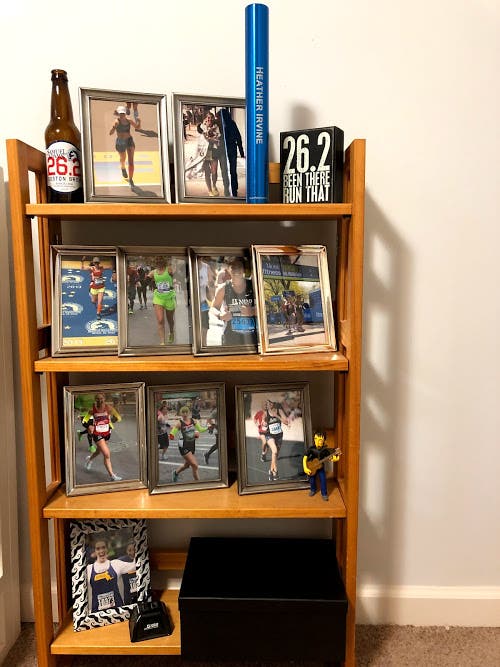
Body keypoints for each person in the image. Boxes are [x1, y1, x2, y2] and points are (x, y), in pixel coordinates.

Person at [210, 258, 257, 347]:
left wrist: (252, 311)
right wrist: (220, 315)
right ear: (228, 269)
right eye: (233, 267)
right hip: (231, 339)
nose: (236, 270)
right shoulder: (223, 288)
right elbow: (213, 308)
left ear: (244, 269)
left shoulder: (254, 285)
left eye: (239, 266)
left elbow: (264, 308)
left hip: (253, 338)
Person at [86, 537, 135, 613]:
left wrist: (137, 547)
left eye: (103, 547)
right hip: (97, 614)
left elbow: (135, 565)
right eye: (98, 548)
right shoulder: (88, 569)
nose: (101, 551)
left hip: (117, 611)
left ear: (107, 549)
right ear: (94, 551)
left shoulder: (116, 564)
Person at [83, 393, 123, 481]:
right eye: (98, 399)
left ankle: (89, 460)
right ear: (95, 400)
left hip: (107, 433)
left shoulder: (109, 408)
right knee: (107, 454)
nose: (100, 400)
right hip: (97, 434)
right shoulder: (92, 410)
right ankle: (112, 475)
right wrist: (89, 426)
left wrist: (115, 418)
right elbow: (85, 420)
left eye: (101, 398)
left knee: (98, 451)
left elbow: (118, 417)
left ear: (104, 399)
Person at [169, 405, 208, 482]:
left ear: (189, 413)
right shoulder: (179, 423)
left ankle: (175, 473)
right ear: (180, 413)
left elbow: (200, 429)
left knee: (186, 465)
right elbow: (172, 433)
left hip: (191, 445)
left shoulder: (194, 421)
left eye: (186, 412)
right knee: (195, 465)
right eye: (183, 412)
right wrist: (171, 436)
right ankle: (198, 483)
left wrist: (208, 428)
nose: (185, 414)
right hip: (183, 446)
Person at [303, 431, 341, 501]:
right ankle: (313, 490)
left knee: (323, 480)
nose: (318, 441)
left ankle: (324, 494)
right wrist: (305, 467)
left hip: (321, 468)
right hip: (311, 466)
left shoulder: (325, 450)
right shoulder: (311, 449)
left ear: (323, 441)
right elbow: (305, 458)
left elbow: (330, 458)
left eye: (320, 440)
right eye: (316, 439)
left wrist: (336, 458)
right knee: (312, 480)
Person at [109, 105, 140, 188]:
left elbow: (137, 127)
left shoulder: (129, 120)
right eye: (120, 113)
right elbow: (110, 133)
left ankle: (130, 180)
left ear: (125, 113)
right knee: (123, 158)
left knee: (131, 162)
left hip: (129, 141)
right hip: (120, 142)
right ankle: (123, 168)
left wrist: (139, 122)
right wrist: (114, 127)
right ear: (118, 114)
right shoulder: (116, 121)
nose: (122, 115)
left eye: (123, 113)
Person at [148, 256, 176, 345]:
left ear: (163, 262)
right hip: (158, 297)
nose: (158, 263)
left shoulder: (169, 270)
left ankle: (171, 332)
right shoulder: (153, 272)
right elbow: (146, 280)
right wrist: (142, 281)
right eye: (157, 261)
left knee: (170, 320)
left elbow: (178, 275)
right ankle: (162, 343)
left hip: (169, 297)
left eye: (160, 261)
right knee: (160, 320)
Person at [219, 108, 245, 197]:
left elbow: (238, 137)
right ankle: (231, 189)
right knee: (230, 171)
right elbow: (238, 137)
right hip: (227, 150)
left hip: (228, 150)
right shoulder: (226, 124)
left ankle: (231, 189)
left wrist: (241, 152)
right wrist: (241, 151)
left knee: (228, 171)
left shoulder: (228, 124)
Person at [197, 111, 221, 197]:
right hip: (205, 153)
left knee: (214, 171)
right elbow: (200, 139)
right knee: (207, 172)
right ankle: (209, 190)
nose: (209, 120)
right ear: (205, 119)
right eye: (208, 118)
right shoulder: (202, 127)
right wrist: (205, 133)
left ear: (213, 119)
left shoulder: (216, 127)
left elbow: (217, 139)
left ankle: (214, 186)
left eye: (211, 118)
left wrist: (212, 138)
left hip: (214, 151)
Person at [263, 401, 289, 481]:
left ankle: (271, 470)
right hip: (269, 435)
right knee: (274, 451)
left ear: (273, 403)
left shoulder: (279, 411)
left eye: (270, 403)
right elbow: (263, 422)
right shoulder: (266, 413)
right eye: (268, 404)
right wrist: (264, 423)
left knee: (275, 455)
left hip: (279, 435)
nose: (269, 405)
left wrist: (277, 416)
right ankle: (275, 471)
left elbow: (286, 422)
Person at [118, 540, 138, 606]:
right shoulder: (121, 561)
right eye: (129, 550)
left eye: (134, 550)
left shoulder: (141, 559)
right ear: (126, 551)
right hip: (128, 597)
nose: (132, 552)